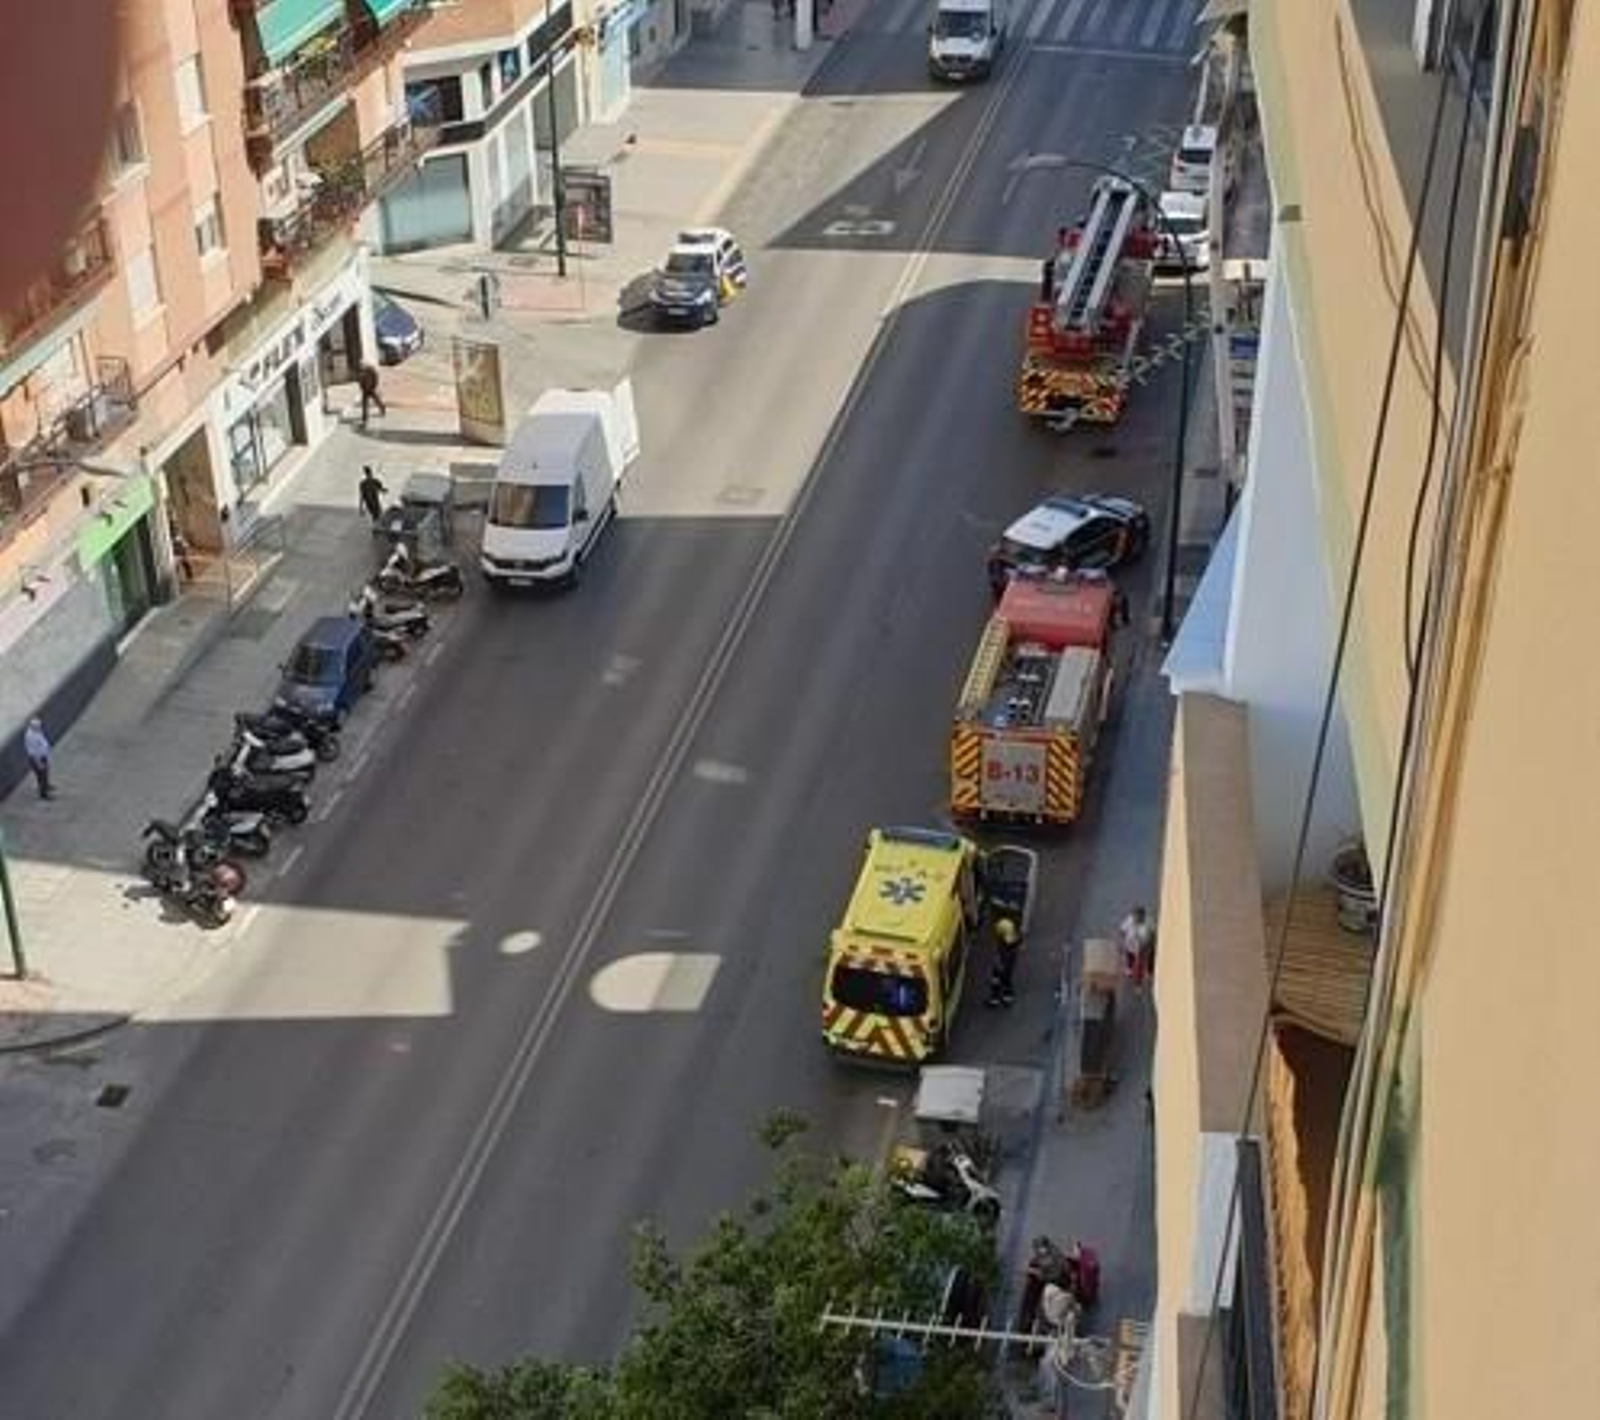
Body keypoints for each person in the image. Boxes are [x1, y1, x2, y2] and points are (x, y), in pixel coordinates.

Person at [986, 915, 1020, 1008]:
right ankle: (1006, 998)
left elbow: (1000, 953)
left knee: (997, 979)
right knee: (1006, 979)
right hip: (1007, 964)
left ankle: (995, 999)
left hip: (1002, 963)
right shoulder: (1013, 942)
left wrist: (998, 963)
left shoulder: (1003, 943)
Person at [1119, 905, 1156, 989]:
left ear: (1143, 915)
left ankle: (1150, 971)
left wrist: (1149, 943)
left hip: (1145, 946)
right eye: (1135, 916)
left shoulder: (1149, 921)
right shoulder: (1129, 920)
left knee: (1148, 958)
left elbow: (1153, 932)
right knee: (1130, 957)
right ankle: (1130, 969)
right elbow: (1122, 931)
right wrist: (1124, 942)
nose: (1137, 918)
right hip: (1131, 945)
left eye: (1139, 916)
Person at [23, 716, 53, 799]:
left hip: (42, 756)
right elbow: (32, 751)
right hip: (37, 758)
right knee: (41, 774)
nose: (39, 727)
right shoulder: (30, 736)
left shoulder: (37, 732)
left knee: (45, 772)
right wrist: (38, 762)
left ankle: (45, 785)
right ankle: (43, 793)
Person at [358, 363, 386, 427]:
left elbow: (375, 378)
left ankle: (382, 408)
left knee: (375, 399)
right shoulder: (362, 373)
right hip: (366, 389)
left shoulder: (370, 371)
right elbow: (361, 382)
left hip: (370, 388)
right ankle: (365, 416)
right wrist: (363, 388)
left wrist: (373, 386)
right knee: (365, 403)